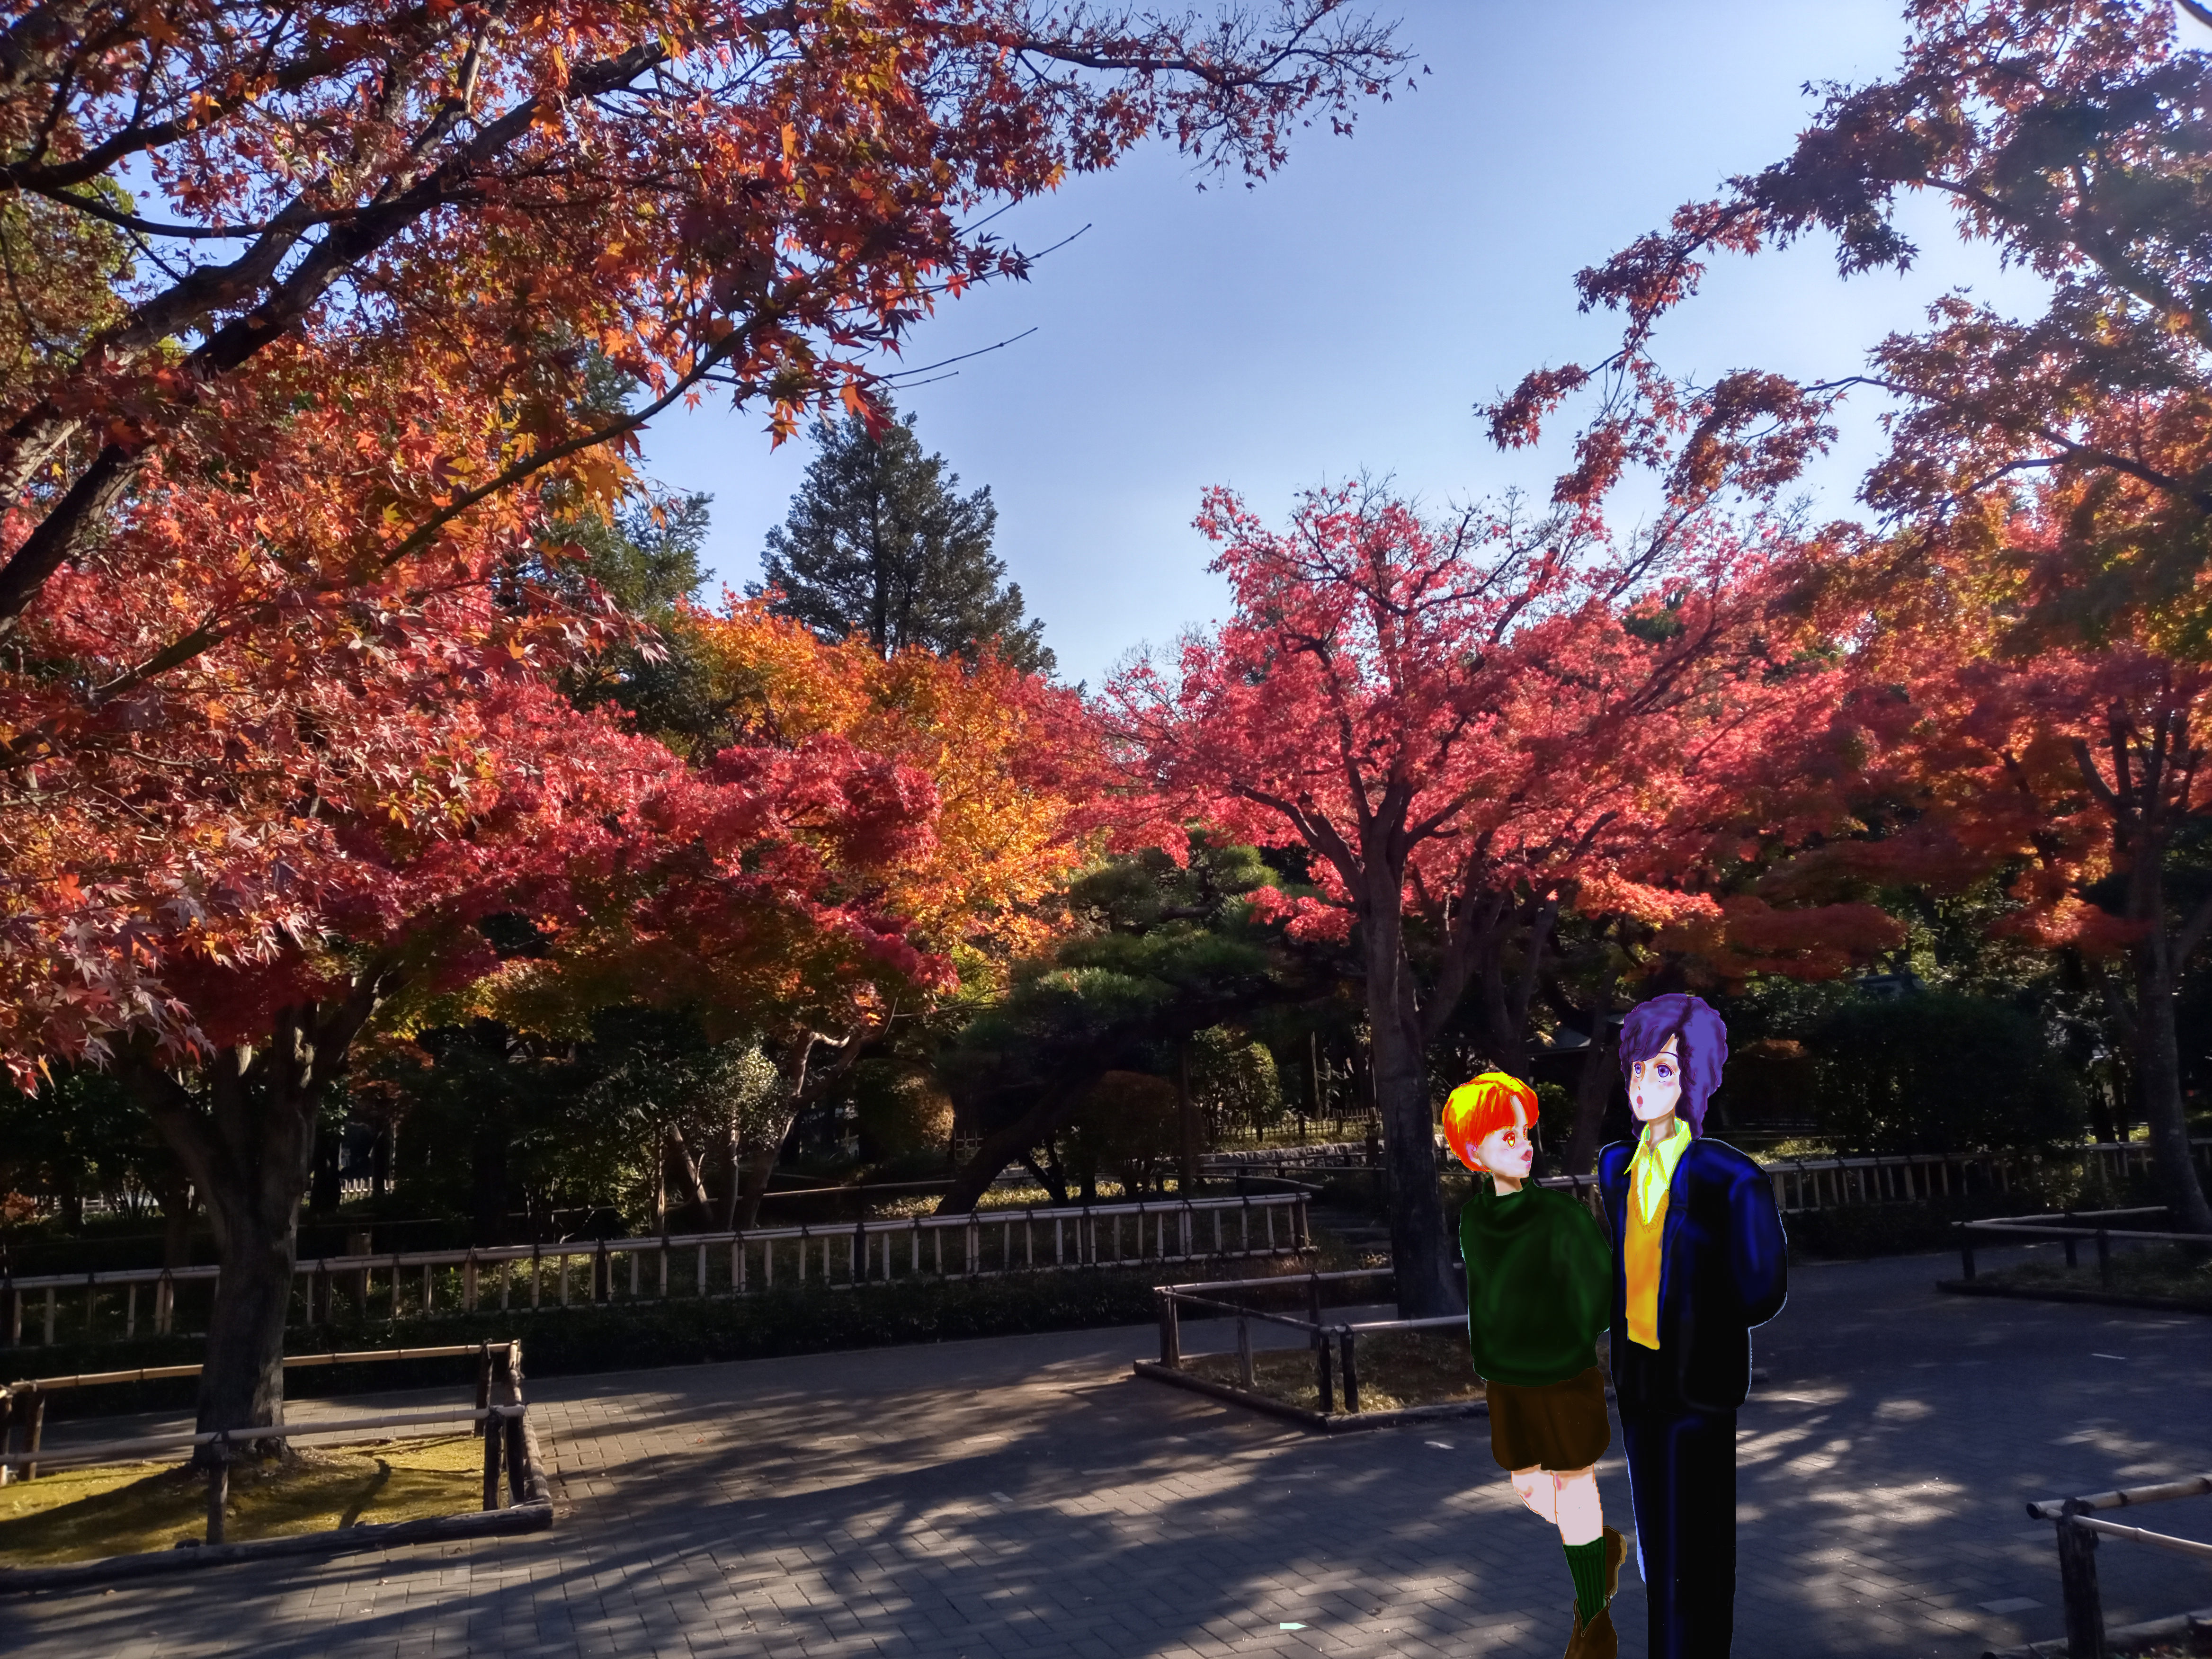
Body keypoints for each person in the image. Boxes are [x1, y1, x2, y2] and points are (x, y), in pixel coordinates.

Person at [1596, 994, 1788, 1659]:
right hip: (1639, 1382)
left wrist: (1699, 1298)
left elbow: (1762, 1288)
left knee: (1700, 1550)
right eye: (1639, 1070)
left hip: (1700, 1386)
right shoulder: (1614, 1168)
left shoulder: (1730, 1178)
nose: (1647, 1086)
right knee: (1659, 1546)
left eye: (1667, 1072)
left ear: (1697, 1080)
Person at [1444, 1071, 1626, 1659]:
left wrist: (1569, 1336)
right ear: (1473, 1154)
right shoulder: (1475, 1222)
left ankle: (1593, 1621)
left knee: (1574, 1483)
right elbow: (1485, 1294)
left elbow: (1601, 1287)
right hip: (1505, 1376)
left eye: (1523, 1132)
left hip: (1562, 1372)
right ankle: (1601, 1549)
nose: (1523, 1144)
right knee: (1526, 1483)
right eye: (1505, 1136)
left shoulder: (1558, 1215)